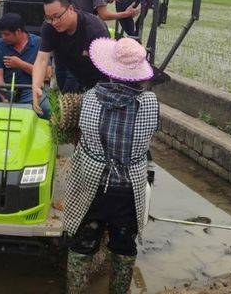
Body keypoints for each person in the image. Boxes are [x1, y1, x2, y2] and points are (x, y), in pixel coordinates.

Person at [64, 37, 158, 294]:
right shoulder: (150, 103)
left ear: (109, 69)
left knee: (83, 244)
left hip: (92, 188)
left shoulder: (91, 98)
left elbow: (83, 138)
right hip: (128, 190)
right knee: (123, 246)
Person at [31, 0, 110, 106]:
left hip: (96, 74)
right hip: (65, 64)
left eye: (57, 16)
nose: (54, 22)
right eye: (49, 18)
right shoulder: (49, 27)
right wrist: (36, 86)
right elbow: (42, 59)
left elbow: (108, 66)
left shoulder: (94, 30)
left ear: (71, 9)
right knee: (65, 104)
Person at [0, 12, 52, 117]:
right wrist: (4, 97)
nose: (3, 37)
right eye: (2, 34)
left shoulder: (38, 43)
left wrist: (21, 64)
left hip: (30, 90)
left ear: (18, 31)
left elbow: (47, 74)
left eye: (7, 34)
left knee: (46, 108)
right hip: (6, 89)